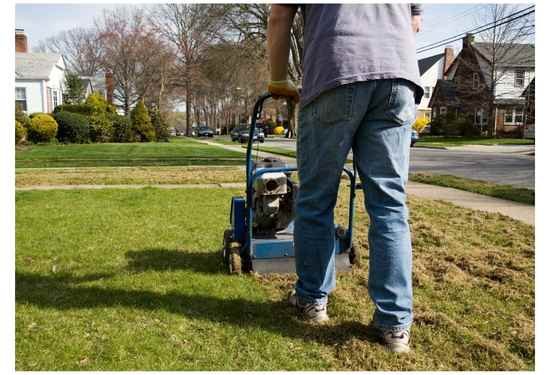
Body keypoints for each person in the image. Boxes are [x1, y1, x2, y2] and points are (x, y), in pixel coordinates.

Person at [266, 4, 423, 353]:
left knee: (316, 198)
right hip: (398, 78)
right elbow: (414, 23)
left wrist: (278, 79)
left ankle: (311, 300)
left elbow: (279, 15)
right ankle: (395, 325)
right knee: (389, 206)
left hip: (337, 70)